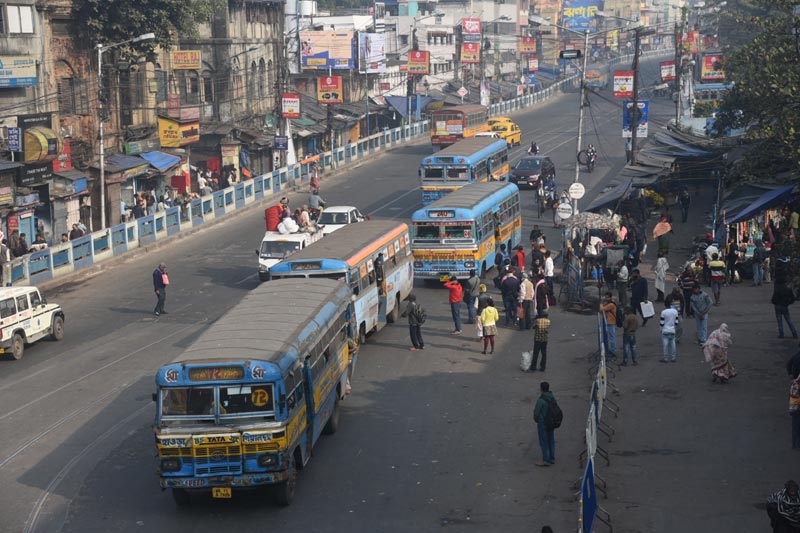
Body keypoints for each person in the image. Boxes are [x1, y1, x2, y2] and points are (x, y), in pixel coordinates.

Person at [533, 381, 556, 466]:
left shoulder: (541, 400)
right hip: (552, 422)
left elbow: (536, 413)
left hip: (543, 423)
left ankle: (546, 459)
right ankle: (552, 458)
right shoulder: (552, 397)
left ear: (541, 389)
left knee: (544, 441)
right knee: (551, 440)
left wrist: (537, 420)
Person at [599, 293, 618, 358]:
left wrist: (601, 303)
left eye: (607, 297)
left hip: (611, 322)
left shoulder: (611, 304)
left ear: (610, 297)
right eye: (605, 297)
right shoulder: (610, 303)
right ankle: (612, 350)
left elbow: (602, 309)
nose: (606, 298)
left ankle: (613, 350)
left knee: (612, 337)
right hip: (609, 321)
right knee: (611, 336)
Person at [791, 377, 800, 450]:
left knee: (795, 427)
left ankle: (794, 444)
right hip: (797, 409)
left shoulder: (795, 383)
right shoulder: (796, 384)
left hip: (794, 409)